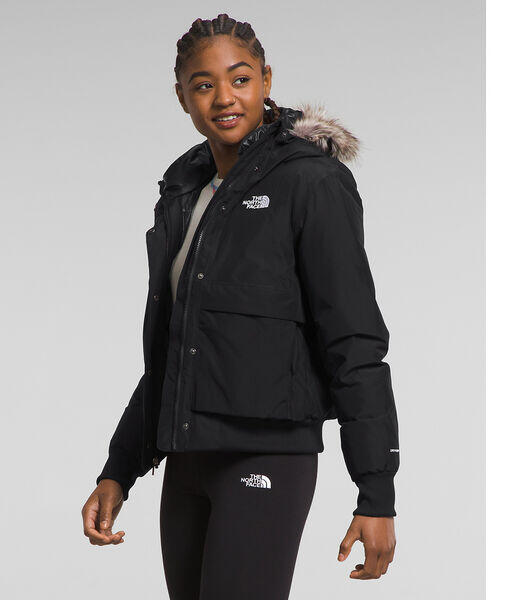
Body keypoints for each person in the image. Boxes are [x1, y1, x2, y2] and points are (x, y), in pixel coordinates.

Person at [81, 13, 400, 599]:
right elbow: (175, 351)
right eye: (203, 85)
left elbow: (354, 341)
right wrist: (119, 470)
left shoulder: (311, 183)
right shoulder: (186, 193)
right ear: (183, 97)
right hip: (187, 463)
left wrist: (376, 493)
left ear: (266, 80)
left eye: (241, 78)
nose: (224, 98)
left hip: (267, 456)